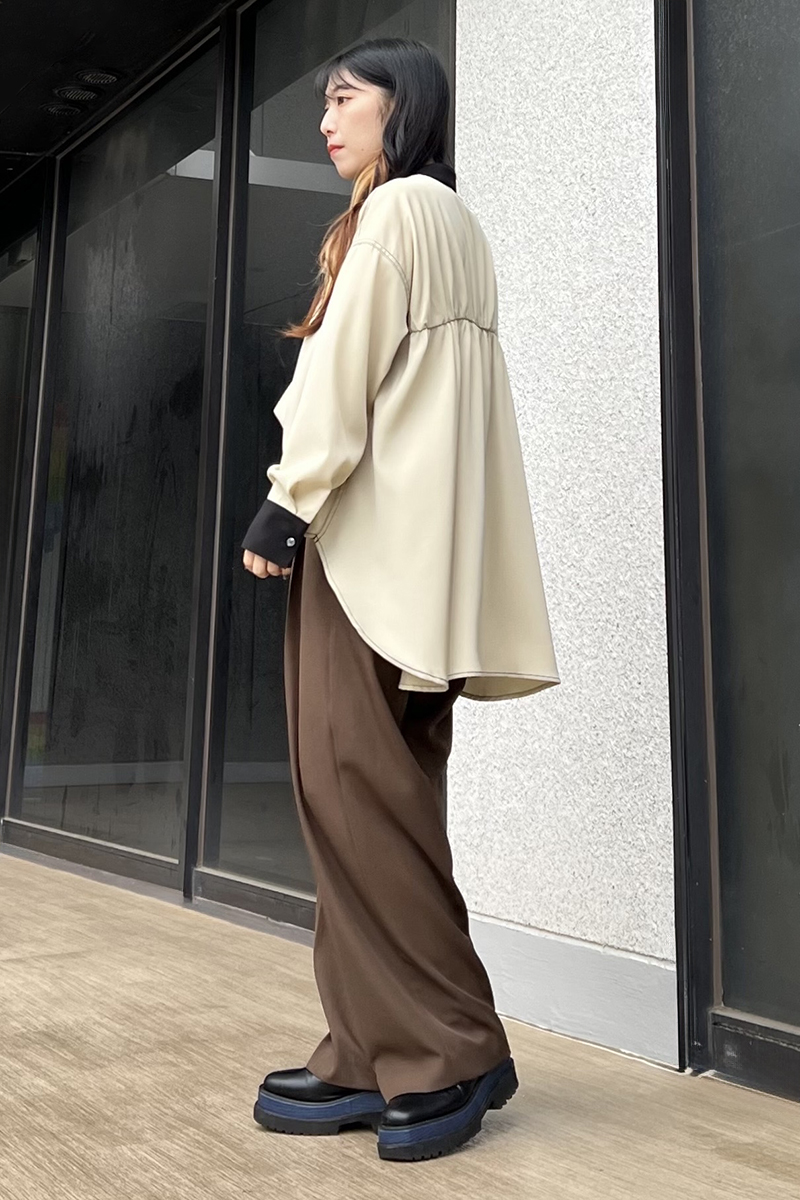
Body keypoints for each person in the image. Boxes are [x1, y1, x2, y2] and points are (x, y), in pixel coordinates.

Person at [241, 36, 559, 1163]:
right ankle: (366, 1049)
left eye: (345, 99)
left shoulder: (394, 213)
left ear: (401, 106)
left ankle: (448, 1049)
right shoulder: (455, 223)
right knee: (384, 804)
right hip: (426, 572)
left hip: (365, 561)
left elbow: (343, 377)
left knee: (352, 802)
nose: (326, 121)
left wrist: (287, 504)